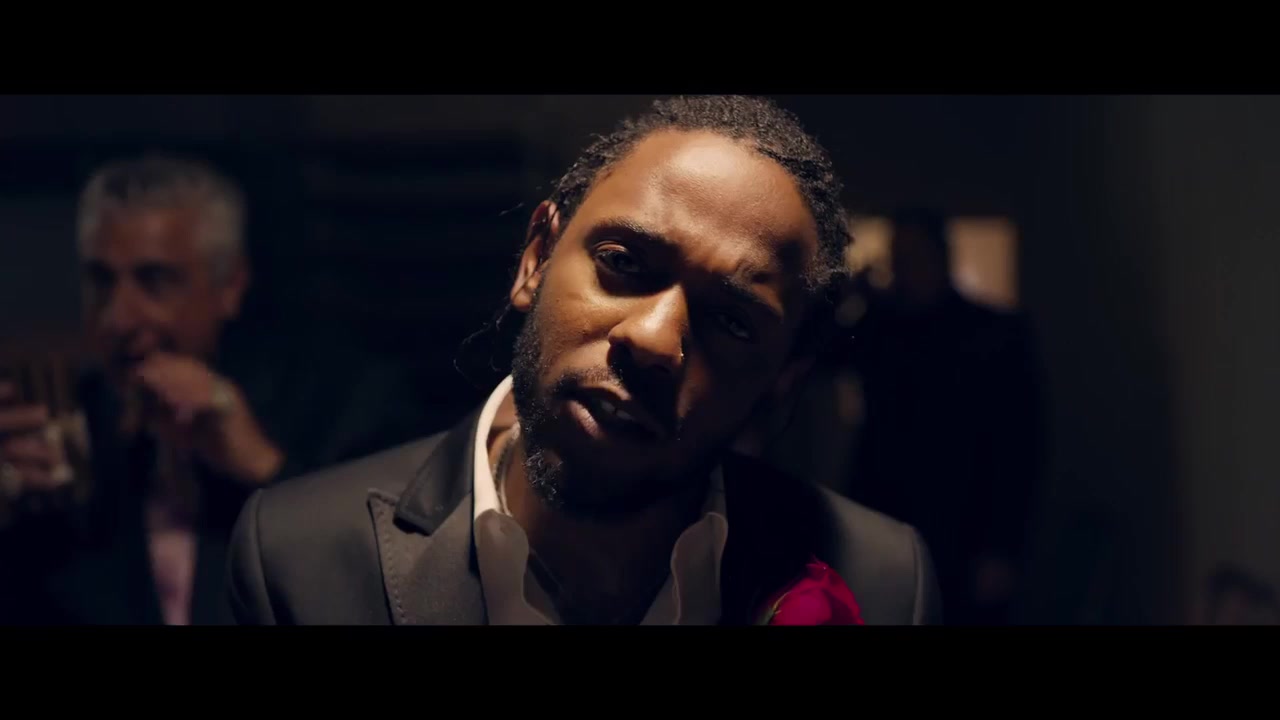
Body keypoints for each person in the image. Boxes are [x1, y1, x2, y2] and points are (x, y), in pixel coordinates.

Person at [226, 96, 942, 626]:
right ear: (536, 257)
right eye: (623, 262)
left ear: (784, 378)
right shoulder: (297, 555)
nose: (654, 339)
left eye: (731, 320)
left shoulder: (885, 585)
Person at [0, 155, 432, 625]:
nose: (117, 318)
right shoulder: (67, 423)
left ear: (230, 286)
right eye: (101, 281)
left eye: (154, 281)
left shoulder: (346, 403)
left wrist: (262, 465)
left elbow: (388, 585)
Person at [839, 207, 1044, 625]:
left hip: (964, 525)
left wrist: (1002, 545)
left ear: (940, 257)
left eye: (914, 257)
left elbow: (1019, 445)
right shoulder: (881, 329)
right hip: (885, 518)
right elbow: (816, 359)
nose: (904, 270)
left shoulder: (994, 335)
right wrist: (852, 297)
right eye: (898, 258)